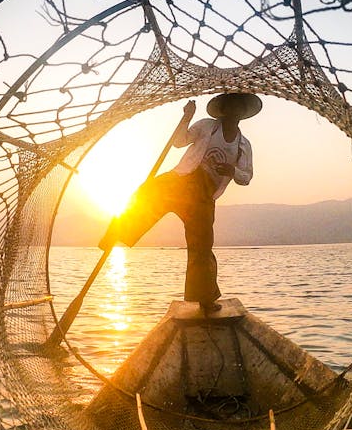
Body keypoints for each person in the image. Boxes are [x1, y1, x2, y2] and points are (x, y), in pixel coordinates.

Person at [101, 92, 260, 313]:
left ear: (242, 114)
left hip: (205, 195)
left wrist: (233, 170)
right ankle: (116, 233)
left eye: (238, 108)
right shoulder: (207, 126)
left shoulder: (243, 145)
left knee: (202, 246)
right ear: (223, 109)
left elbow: (247, 177)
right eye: (230, 107)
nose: (234, 112)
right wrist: (187, 117)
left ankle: (205, 298)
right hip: (183, 180)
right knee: (147, 193)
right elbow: (178, 142)